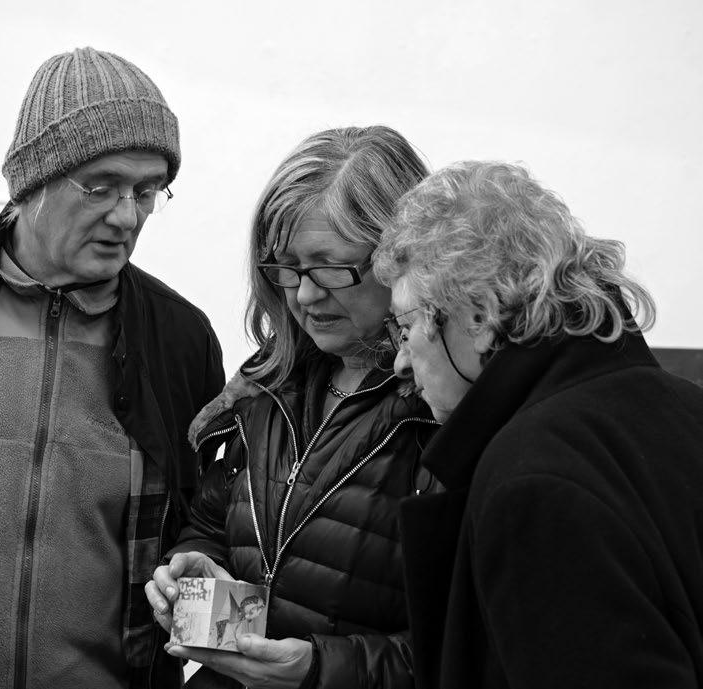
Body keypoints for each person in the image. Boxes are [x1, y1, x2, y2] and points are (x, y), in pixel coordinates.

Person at [0, 46, 225, 689]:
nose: (126, 216)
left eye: (147, 192)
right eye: (101, 187)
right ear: (31, 182)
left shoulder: (180, 338)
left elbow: (200, 519)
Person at [373, 160, 703, 689]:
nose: (400, 362)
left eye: (405, 327)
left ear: (478, 317)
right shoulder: (685, 407)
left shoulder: (530, 482)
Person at [146, 126, 439, 689]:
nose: (304, 295)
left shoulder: (440, 411)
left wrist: (318, 671)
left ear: (402, 259)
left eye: (330, 268)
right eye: (287, 268)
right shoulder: (266, 388)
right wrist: (196, 571)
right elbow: (213, 524)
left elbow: (466, 643)